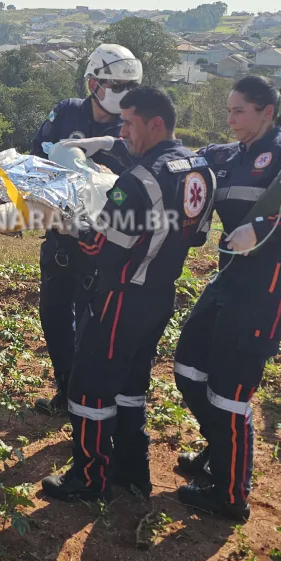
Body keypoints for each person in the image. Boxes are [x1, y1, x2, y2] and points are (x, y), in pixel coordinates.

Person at [174, 76, 281, 521]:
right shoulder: (224, 157)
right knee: (188, 367)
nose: (229, 120)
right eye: (228, 111)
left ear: (267, 112)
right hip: (227, 278)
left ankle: (230, 494)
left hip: (267, 288)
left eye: (239, 111)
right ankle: (220, 451)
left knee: (230, 393)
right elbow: (178, 164)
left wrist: (266, 228)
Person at [41, 87, 216, 502]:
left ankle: (89, 477)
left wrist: (71, 224)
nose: (122, 132)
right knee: (131, 385)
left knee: (88, 387)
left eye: (129, 123)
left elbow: (100, 248)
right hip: (159, 295)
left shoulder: (138, 183)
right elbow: (199, 237)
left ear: (155, 124)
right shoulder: (200, 169)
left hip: (121, 296)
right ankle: (132, 469)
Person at [30, 44, 139, 415]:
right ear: (93, 83)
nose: (124, 94)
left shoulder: (131, 123)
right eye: (116, 85)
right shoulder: (66, 112)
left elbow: (142, 168)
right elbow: (38, 157)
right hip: (62, 235)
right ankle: (66, 389)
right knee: (55, 316)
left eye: (130, 86)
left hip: (105, 241)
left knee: (91, 326)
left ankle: (90, 400)